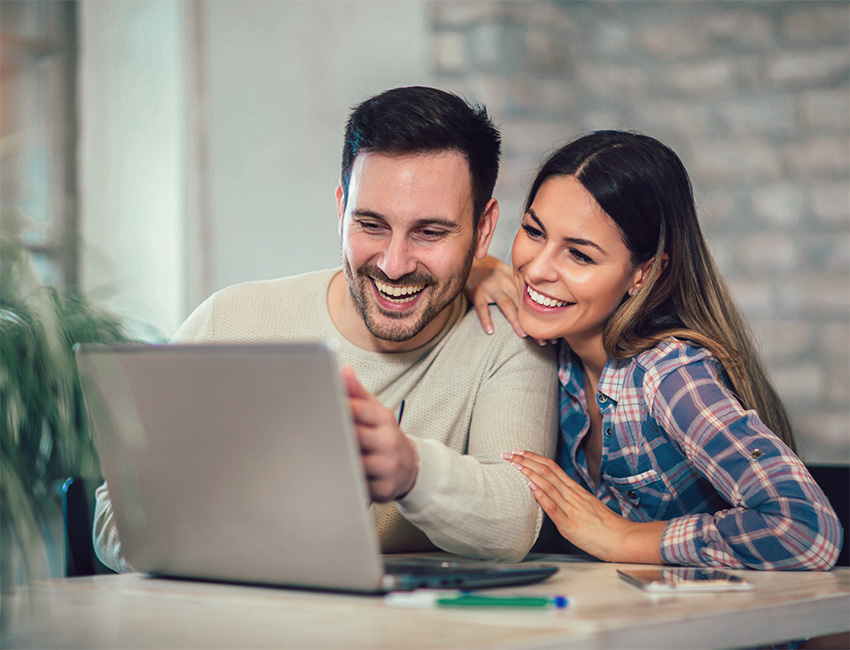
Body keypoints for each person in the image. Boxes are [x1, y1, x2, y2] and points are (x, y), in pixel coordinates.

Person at [92, 86, 559, 573]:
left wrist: (410, 470)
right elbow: (114, 519)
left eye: (430, 233)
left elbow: (514, 521)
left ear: (483, 230)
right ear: (341, 210)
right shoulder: (230, 321)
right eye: (371, 225)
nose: (394, 265)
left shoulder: (509, 336)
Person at [470, 130, 842, 571]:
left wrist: (624, 537)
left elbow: (807, 529)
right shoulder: (556, 345)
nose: (536, 268)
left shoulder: (669, 376)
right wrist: (479, 269)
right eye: (534, 231)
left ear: (643, 274)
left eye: (580, 256)